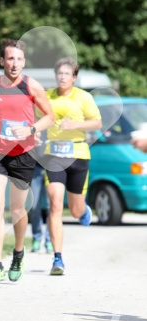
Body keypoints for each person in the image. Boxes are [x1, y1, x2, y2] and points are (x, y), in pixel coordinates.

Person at [0, 39, 55, 284]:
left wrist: (32, 129)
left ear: (24, 62)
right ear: (2, 61)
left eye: (19, 59)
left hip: (24, 154)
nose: (14, 64)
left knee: (17, 210)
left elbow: (50, 116)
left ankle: (18, 253)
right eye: (10, 59)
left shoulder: (31, 85)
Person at [43, 57, 102, 275]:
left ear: (74, 78)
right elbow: (35, 116)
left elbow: (97, 122)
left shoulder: (83, 97)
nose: (62, 77)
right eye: (59, 73)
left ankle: (82, 209)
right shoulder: (47, 96)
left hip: (78, 154)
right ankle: (57, 258)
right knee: (56, 204)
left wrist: (75, 124)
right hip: (54, 155)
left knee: (75, 210)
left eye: (67, 74)